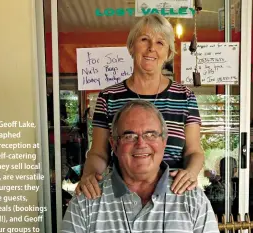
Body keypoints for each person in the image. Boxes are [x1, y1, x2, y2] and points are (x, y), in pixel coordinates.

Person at [47, 100, 230, 233]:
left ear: (164, 141)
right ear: (114, 145)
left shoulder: (192, 198)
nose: (141, 143)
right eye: (129, 135)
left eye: (151, 134)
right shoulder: (86, 200)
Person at [76, 14, 204, 199]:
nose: (152, 48)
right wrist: (89, 176)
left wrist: (191, 173)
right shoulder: (109, 97)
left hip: (174, 197)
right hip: (122, 198)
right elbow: (98, 153)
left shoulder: (185, 97)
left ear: (168, 52)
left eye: (160, 42)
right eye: (144, 39)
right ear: (131, 47)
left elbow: (194, 151)